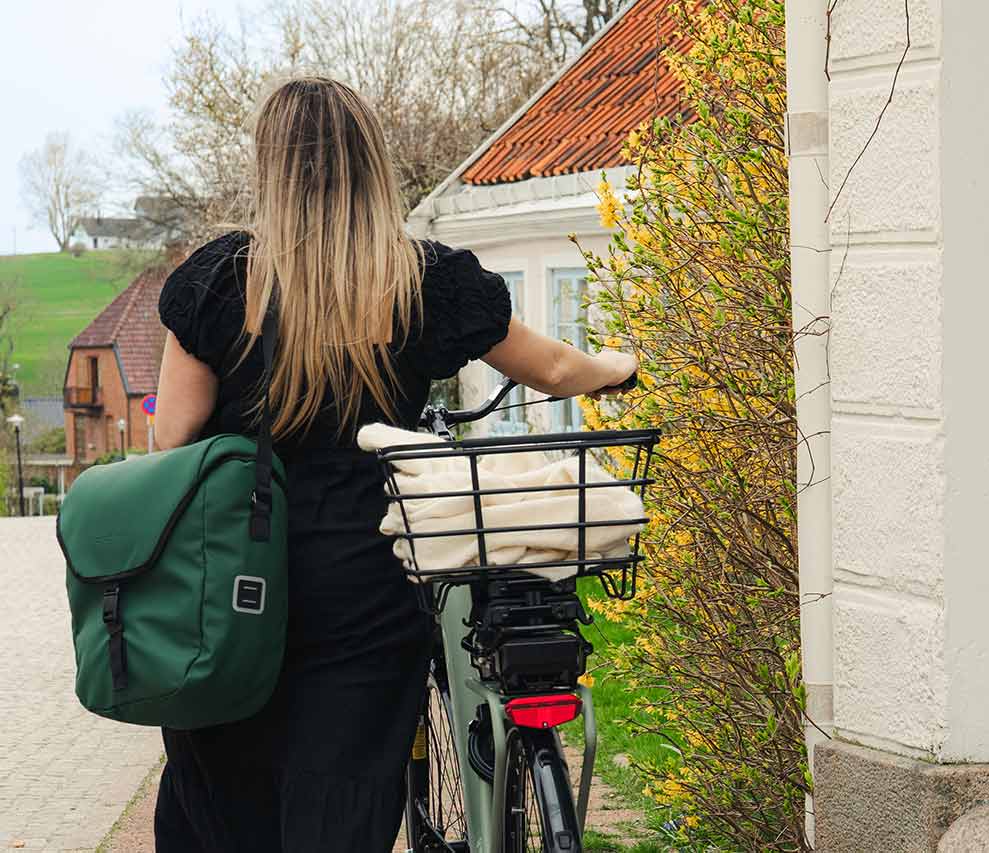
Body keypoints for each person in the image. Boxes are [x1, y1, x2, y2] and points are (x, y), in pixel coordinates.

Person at [151, 75, 636, 852]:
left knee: (227, 804)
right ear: (369, 162)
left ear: (271, 169)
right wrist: (616, 366)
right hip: (367, 596)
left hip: (231, 594)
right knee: (341, 805)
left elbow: (170, 448)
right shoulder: (426, 280)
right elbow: (553, 369)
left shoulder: (218, 284)